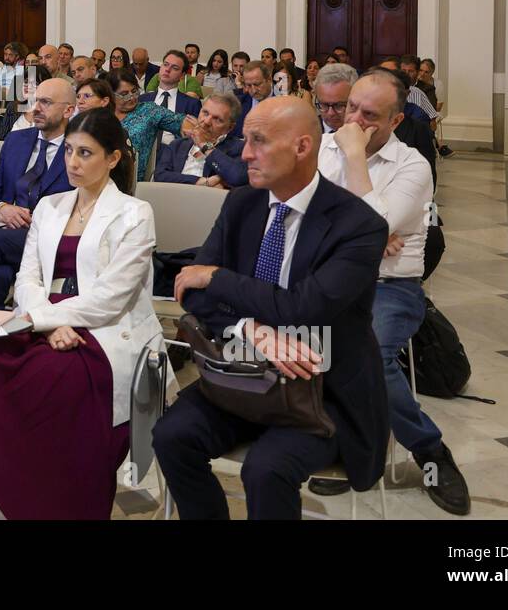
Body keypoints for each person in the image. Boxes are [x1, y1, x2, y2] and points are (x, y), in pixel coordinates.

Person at [0, 108, 167, 519]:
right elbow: (28, 278)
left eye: (86, 153)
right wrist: (45, 322)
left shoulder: (134, 214)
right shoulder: (50, 206)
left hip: (103, 335)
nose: (72, 162)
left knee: (50, 385)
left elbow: (111, 298)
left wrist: (45, 321)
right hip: (42, 323)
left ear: (113, 159)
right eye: (69, 151)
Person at [152, 97, 389, 520]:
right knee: (171, 437)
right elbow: (194, 293)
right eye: (245, 140)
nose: (244, 154)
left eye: (258, 141)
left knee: (266, 470)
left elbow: (305, 309)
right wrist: (251, 329)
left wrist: (220, 279)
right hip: (240, 373)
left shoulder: (359, 225)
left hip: (319, 385)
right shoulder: (243, 203)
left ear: (301, 147)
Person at [311, 69, 469, 514]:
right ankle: (345, 437)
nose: (353, 121)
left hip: (390, 287)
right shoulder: (320, 148)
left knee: (369, 352)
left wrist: (356, 161)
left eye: (369, 116)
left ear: (396, 122)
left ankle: (431, 450)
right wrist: (363, 236)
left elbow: (368, 225)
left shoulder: (413, 165)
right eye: (350, 108)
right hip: (327, 280)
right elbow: (292, 217)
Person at [0, 79, 76, 306]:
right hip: (8, 232)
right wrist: (2, 208)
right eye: (35, 101)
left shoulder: (78, 148)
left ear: (68, 110)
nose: (36, 109)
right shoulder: (16, 141)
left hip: (52, 236)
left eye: (46, 102)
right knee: (0, 273)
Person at [110, 68, 194, 181]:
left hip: (128, 180)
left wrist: (192, 125)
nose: (132, 97)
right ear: (111, 95)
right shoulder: (101, 114)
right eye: (124, 94)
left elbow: (179, 120)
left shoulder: (149, 110)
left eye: (134, 91)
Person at [153, 91, 247, 188]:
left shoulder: (240, 148)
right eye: (205, 113)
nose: (206, 122)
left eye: (217, 119)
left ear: (230, 127)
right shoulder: (177, 145)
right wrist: (204, 182)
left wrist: (205, 145)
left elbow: (236, 177)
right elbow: (160, 175)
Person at [0, 65, 50, 140]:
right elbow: (1, 139)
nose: (28, 86)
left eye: (35, 83)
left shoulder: (51, 112)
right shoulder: (12, 107)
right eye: (26, 81)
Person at [313, 62, 358, 134]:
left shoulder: (368, 134)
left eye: (339, 106)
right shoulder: (305, 132)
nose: (330, 113)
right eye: (324, 105)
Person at [235, 61, 274, 135]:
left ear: (269, 80)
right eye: (249, 85)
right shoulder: (238, 104)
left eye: (257, 84)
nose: (253, 90)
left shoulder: (283, 105)